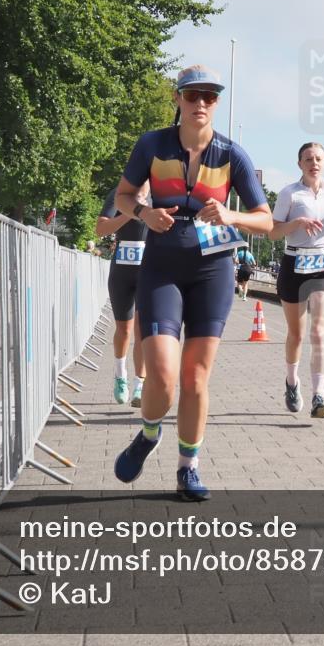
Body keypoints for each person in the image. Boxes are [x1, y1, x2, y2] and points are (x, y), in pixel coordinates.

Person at [111, 64, 272, 500]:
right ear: (178, 99)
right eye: (193, 95)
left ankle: (188, 468)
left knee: (196, 378)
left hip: (212, 269)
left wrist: (231, 214)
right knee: (162, 376)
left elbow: (265, 219)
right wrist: (144, 213)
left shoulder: (231, 154)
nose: (201, 103)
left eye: (210, 96)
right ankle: (148, 435)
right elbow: (124, 195)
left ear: (216, 103)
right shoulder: (153, 144)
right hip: (161, 264)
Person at [270, 142, 324, 418]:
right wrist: (297, 223)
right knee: (297, 334)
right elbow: (273, 232)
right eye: (308, 159)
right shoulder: (289, 194)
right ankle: (292, 383)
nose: (313, 163)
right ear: (299, 164)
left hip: (323, 264)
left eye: (318, 159)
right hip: (294, 263)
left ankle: (319, 395)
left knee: (318, 332)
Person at [96, 184, 150, 407]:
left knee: (142, 330)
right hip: (121, 272)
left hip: (148, 272)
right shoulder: (119, 194)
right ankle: (120, 376)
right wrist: (130, 214)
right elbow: (100, 229)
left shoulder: (160, 193)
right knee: (124, 329)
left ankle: (140, 383)